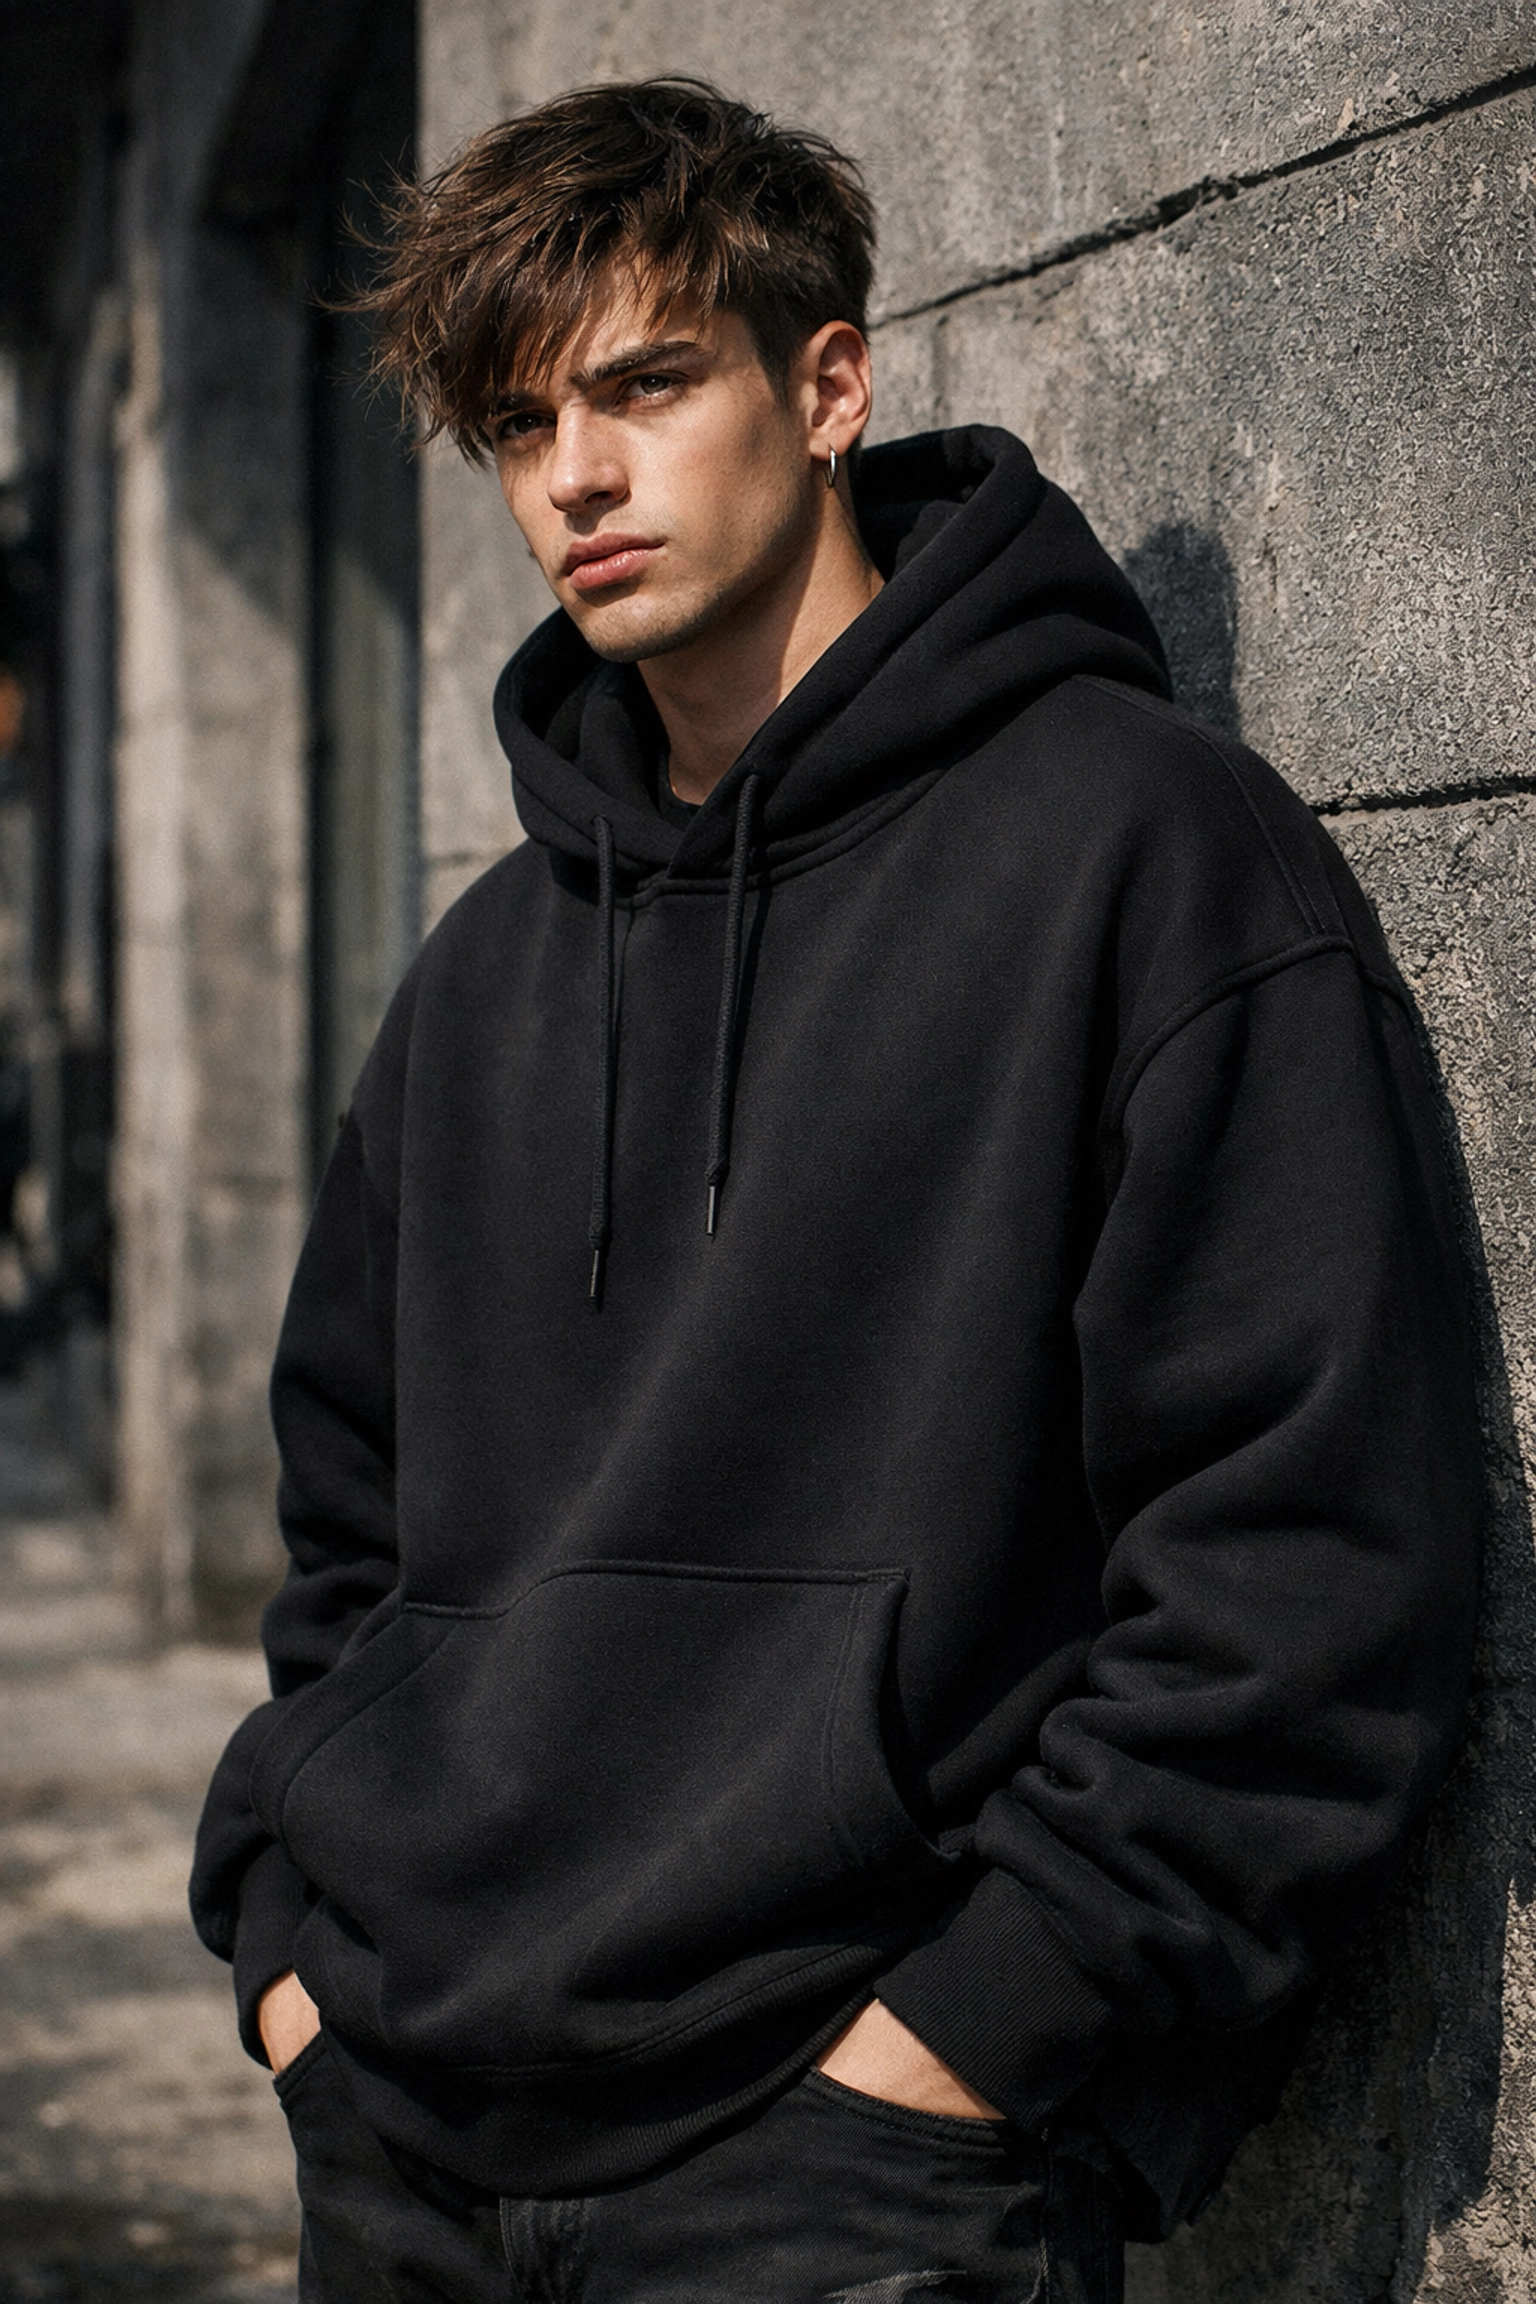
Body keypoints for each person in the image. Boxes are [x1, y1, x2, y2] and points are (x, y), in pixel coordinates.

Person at [191, 77, 1483, 2304]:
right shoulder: (486, 973)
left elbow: (1313, 1539)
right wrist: (301, 1963)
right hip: (405, 2140)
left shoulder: (1145, 857)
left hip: (852, 2176)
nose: (575, 475)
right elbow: (347, 1540)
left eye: (644, 384)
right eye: (518, 425)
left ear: (829, 381)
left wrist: (985, 2032)